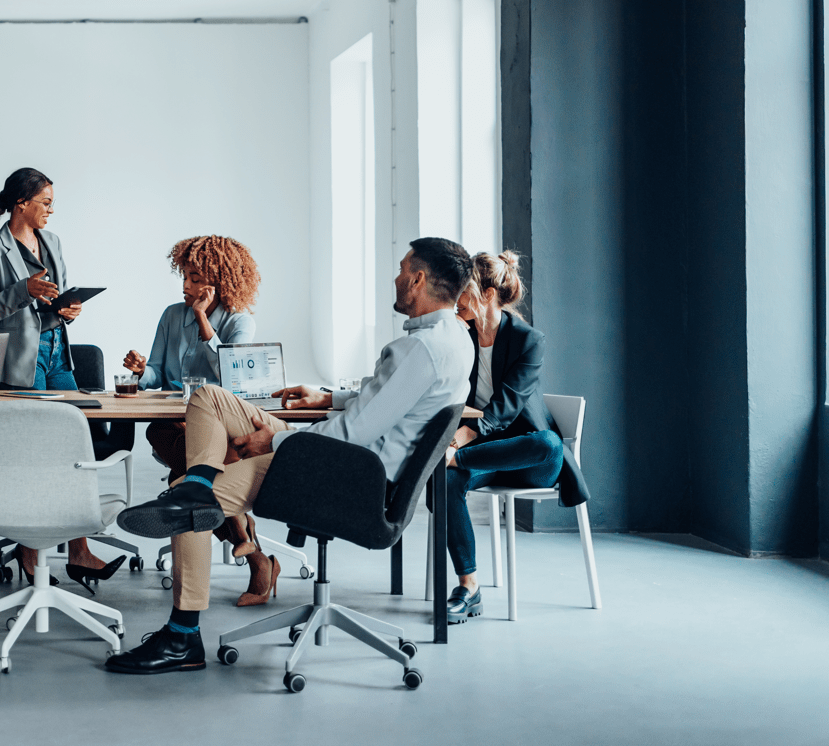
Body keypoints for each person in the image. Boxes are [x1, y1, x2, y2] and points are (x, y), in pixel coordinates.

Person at [107, 237, 475, 674]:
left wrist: (274, 442)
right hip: (344, 460)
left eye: (401, 270)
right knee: (209, 398)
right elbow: (388, 402)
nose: (395, 278)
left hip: (342, 471)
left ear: (417, 280)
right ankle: (198, 482)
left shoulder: (417, 350)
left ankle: (182, 636)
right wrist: (328, 397)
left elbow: (352, 434)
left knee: (187, 511)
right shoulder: (453, 338)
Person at [0, 167, 125, 594]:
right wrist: (24, 290)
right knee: (34, 452)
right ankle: (29, 547)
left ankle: (78, 551)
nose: (50, 211)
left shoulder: (53, 242)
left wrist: (67, 309)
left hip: (59, 350)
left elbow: (53, 301)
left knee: (72, 448)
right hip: (22, 358)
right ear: (21, 203)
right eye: (45, 203)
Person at [119, 235, 279, 607]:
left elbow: (230, 379)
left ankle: (253, 555)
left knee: (186, 481)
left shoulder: (240, 322)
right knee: (196, 465)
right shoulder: (171, 315)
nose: (186, 286)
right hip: (171, 422)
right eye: (185, 276)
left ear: (217, 282)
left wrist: (203, 319)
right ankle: (250, 546)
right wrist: (143, 371)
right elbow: (158, 374)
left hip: (217, 424)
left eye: (194, 278)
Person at [442, 250, 587, 624]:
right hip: (486, 455)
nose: (455, 299)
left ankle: (457, 460)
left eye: (463, 291)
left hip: (529, 458)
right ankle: (468, 587)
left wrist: (459, 443)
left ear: (487, 295)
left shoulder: (528, 340)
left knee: (549, 443)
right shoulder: (463, 335)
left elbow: (507, 405)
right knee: (445, 480)